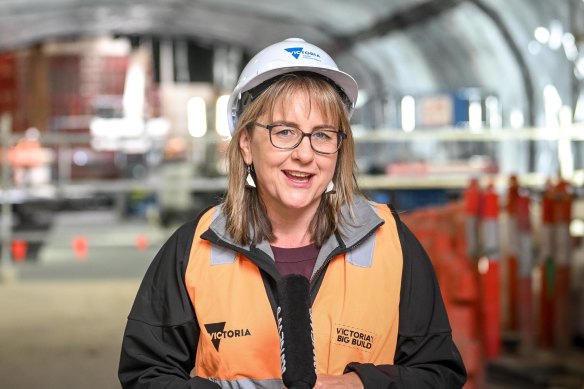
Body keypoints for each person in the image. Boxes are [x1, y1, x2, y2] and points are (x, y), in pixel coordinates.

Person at [119, 37, 467, 388]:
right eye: (284, 132)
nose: (304, 154)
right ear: (246, 145)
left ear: (338, 147)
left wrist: (360, 384)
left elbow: (439, 373)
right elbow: (146, 374)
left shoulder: (390, 241)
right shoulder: (195, 248)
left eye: (322, 135)